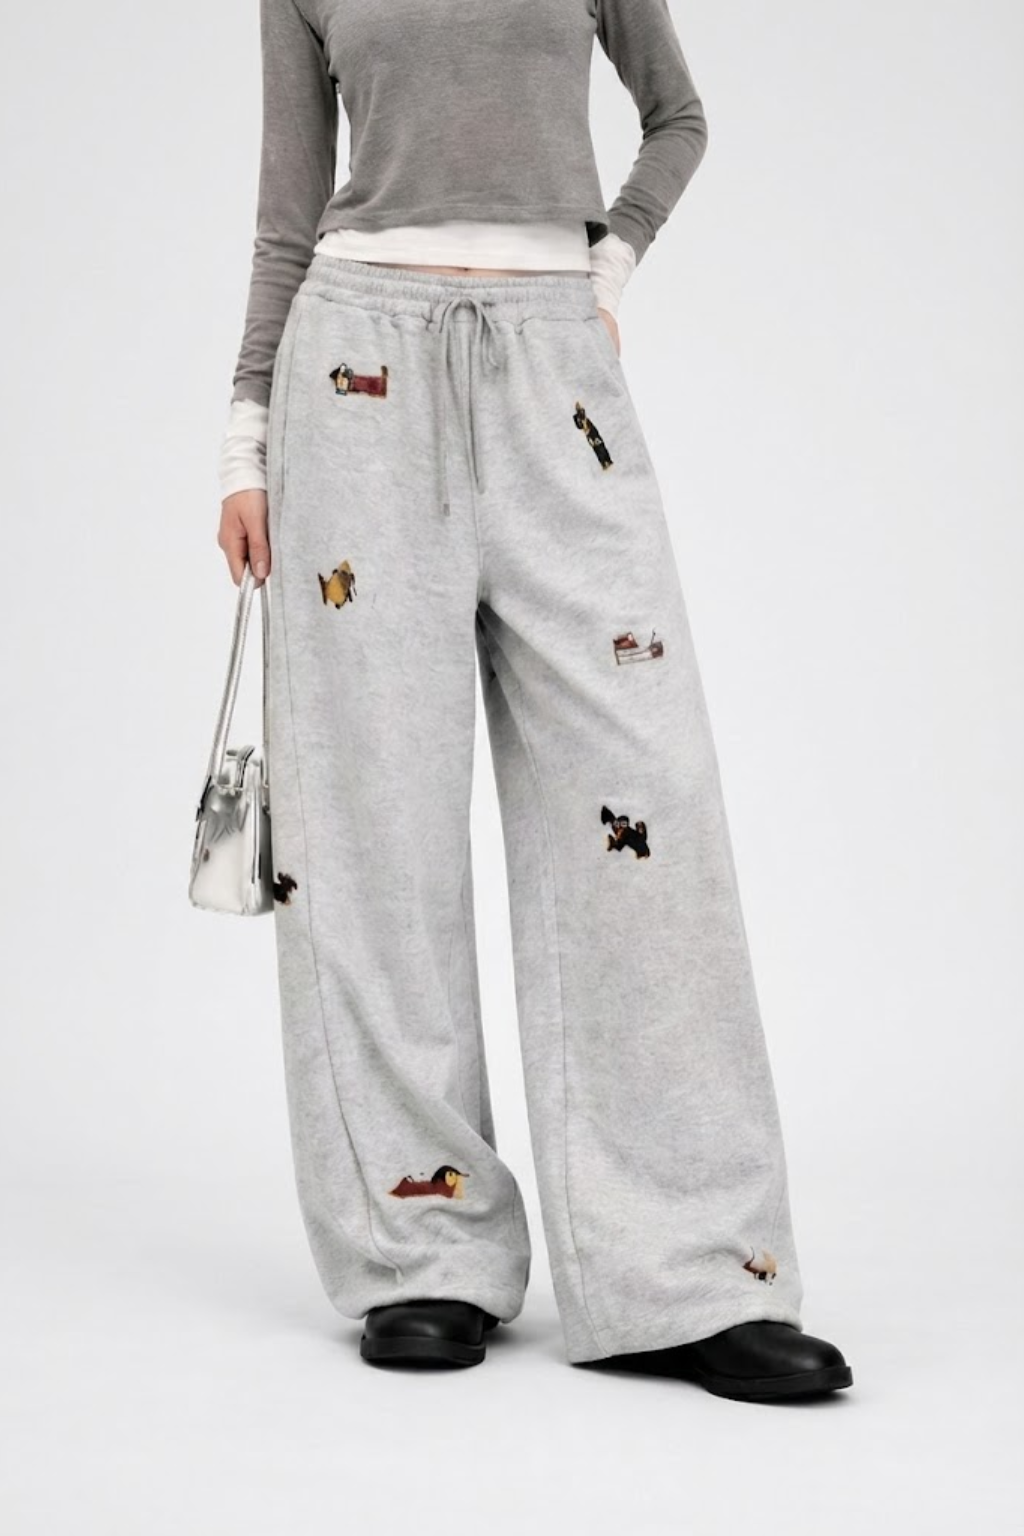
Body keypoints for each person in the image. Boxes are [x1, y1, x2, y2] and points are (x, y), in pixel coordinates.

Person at [216, 0, 853, 1403]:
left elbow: (677, 116)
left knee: (646, 810)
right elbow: (285, 213)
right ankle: (421, 1252)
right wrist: (245, 442)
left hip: (554, 358)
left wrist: (606, 265)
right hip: (354, 372)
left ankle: (689, 1272)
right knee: (374, 829)